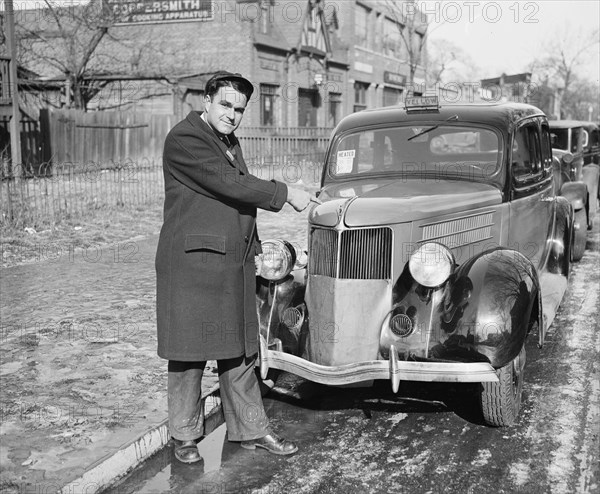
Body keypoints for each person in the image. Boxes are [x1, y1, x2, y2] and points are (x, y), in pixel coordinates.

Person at [155, 71, 313, 464]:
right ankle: (185, 437)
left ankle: (251, 430)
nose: (233, 114)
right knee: (189, 354)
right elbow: (231, 184)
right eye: (226, 105)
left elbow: (236, 200)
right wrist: (285, 192)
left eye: (239, 109)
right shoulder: (185, 138)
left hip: (231, 263)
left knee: (241, 353)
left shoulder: (226, 140)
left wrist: (256, 247)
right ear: (207, 100)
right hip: (192, 266)